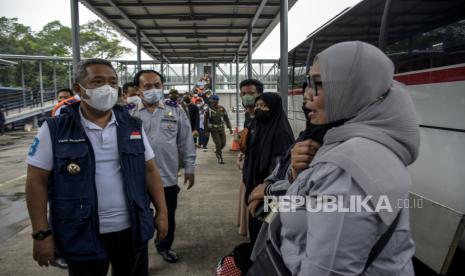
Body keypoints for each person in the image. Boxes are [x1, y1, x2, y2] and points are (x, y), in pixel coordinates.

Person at [259, 41, 419, 275]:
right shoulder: (349, 142)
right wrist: (297, 175)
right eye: (308, 83)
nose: (306, 94)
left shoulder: (349, 168)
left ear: (354, 88)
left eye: (319, 84)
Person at [25, 58, 169, 276]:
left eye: (112, 82)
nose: (107, 88)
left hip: (131, 230)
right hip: (81, 232)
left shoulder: (131, 125)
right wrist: (41, 233)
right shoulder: (55, 129)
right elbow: (36, 181)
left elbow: (150, 170)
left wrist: (162, 212)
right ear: (79, 89)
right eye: (98, 82)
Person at [134, 69, 196, 263]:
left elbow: (185, 140)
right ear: (138, 90)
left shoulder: (175, 109)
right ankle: (138, 251)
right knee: (138, 218)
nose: (153, 89)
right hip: (137, 178)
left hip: (167, 175)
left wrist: (190, 166)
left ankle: (164, 246)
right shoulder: (129, 112)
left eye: (157, 85)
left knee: (167, 214)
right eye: (148, 86)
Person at [244, 93, 294, 245]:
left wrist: (265, 191)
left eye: (264, 106)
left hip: (272, 193)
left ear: (274, 109)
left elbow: (281, 170)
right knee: (255, 225)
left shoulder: (281, 133)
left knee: (266, 230)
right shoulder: (259, 127)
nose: (259, 109)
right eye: (257, 105)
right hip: (256, 185)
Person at [204, 94, 232, 164]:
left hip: (221, 128)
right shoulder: (209, 110)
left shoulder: (221, 108)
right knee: (218, 144)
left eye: (217, 100)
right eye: (214, 100)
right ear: (212, 101)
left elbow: (226, 118)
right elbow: (205, 121)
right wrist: (206, 131)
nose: (216, 101)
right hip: (214, 129)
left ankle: (217, 150)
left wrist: (230, 127)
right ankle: (220, 158)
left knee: (223, 143)